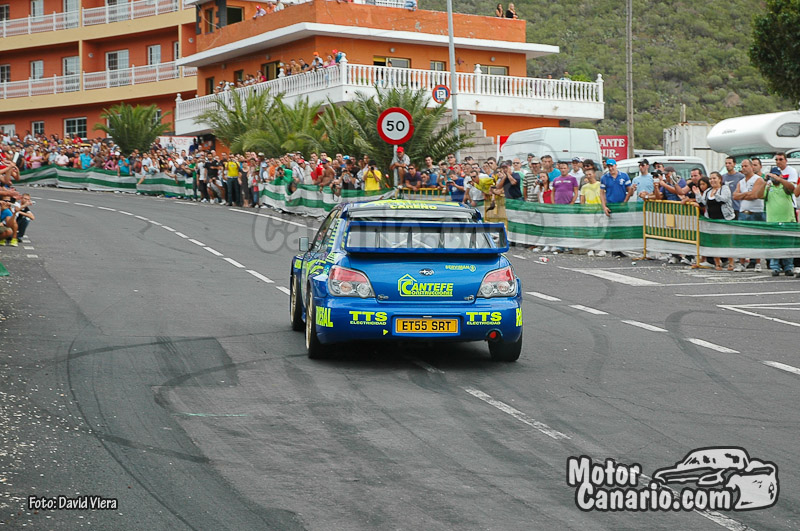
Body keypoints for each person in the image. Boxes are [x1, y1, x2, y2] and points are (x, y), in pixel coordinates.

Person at [693, 171, 735, 270]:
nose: (712, 180)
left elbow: (724, 199)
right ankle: (717, 263)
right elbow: (703, 203)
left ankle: (731, 263)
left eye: (714, 178)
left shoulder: (724, 188)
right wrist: (698, 195)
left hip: (724, 219)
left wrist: (716, 194)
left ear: (720, 179)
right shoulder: (708, 191)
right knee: (714, 242)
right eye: (710, 179)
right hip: (712, 219)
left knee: (726, 241)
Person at [732, 159, 766, 272]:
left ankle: (757, 262)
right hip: (743, 212)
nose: (744, 168)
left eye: (746, 166)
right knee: (742, 238)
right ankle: (742, 263)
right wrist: (746, 194)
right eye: (742, 166)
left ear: (752, 167)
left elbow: (755, 195)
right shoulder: (741, 182)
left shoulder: (758, 179)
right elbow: (735, 196)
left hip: (756, 212)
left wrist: (742, 195)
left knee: (757, 238)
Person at [762, 166, 796, 276]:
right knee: (774, 245)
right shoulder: (768, 187)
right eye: (773, 175)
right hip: (772, 221)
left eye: (776, 175)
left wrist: (780, 179)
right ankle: (775, 267)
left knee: (788, 245)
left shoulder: (784, 186)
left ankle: (788, 267)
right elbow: (759, 195)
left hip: (787, 220)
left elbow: (792, 189)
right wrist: (764, 181)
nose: (774, 178)